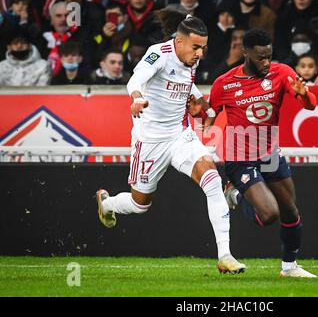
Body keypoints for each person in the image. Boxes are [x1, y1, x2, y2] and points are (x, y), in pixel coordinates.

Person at [95, 15, 246, 274]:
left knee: (211, 180)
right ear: (179, 41)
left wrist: (204, 107)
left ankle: (225, 255)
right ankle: (107, 203)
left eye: (203, 48)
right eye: (195, 47)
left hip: (180, 136)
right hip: (151, 141)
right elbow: (136, 79)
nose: (200, 53)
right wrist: (137, 98)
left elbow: (185, 85)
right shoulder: (159, 54)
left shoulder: (190, 60)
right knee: (140, 204)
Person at [202, 28, 318, 278]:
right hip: (239, 156)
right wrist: (198, 116)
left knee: (290, 211)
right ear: (245, 53)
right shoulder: (225, 83)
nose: (266, 62)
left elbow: (311, 105)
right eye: (260, 57)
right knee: (269, 215)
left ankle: (289, 268)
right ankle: (235, 193)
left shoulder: (282, 73)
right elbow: (208, 116)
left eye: (268, 56)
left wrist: (304, 95)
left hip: (269, 152)